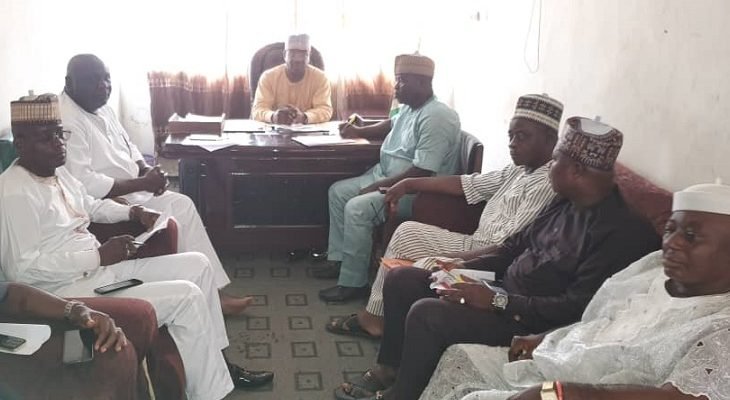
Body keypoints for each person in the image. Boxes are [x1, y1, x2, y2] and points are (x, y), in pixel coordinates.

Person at [333, 117, 661, 400]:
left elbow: (579, 309)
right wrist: (460, 268)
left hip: (531, 323)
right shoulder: (567, 201)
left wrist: (497, 301)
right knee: (402, 279)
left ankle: (401, 396)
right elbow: (513, 247)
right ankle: (390, 369)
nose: (550, 167)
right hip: (501, 291)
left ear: (576, 170)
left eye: (556, 160)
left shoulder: (620, 232)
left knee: (427, 314)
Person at [0, 93, 273, 399]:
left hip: (99, 273)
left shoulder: (56, 171)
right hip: (66, 291)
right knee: (186, 296)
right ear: (20, 144)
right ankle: (212, 392)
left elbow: (89, 205)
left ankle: (220, 365)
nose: (58, 143)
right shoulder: (14, 193)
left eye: (59, 134)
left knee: (198, 264)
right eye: (45, 138)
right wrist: (98, 256)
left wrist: (132, 212)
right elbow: (21, 270)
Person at [424, 182, 730, 400]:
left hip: (585, 392)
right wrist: (544, 338)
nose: (672, 243)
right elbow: (598, 318)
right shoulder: (652, 268)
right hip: (562, 361)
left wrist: (565, 393)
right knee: (460, 357)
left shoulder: (721, 326)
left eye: (691, 236)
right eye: (671, 229)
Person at [326, 94, 563, 339]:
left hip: (491, 262)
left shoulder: (548, 183)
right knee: (406, 232)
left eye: (522, 137)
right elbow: (468, 184)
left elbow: (508, 249)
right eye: (511, 136)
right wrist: (409, 184)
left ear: (550, 139)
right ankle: (376, 317)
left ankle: (398, 327)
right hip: (474, 242)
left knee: (421, 268)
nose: (512, 143)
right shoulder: (518, 169)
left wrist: (456, 260)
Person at [58, 54, 251, 316]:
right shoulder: (68, 120)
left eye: (107, 78)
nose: (103, 86)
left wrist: (146, 169)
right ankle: (207, 295)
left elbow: (129, 146)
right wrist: (142, 182)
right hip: (111, 200)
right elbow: (84, 182)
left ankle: (212, 291)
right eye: (93, 80)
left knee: (182, 204)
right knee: (179, 207)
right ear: (69, 82)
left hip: (135, 188)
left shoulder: (102, 107)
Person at [317, 53, 462, 302]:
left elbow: (422, 172)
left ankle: (354, 282)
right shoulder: (410, 108)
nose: (395, 86)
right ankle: (339, 260)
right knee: (338, 192)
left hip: (415, 193)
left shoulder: (437, 116)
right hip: (386, 176)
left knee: (357, 208)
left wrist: (376, 186)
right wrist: (359, 130)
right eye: (397, 79)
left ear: (422, 83)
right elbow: (390, 124)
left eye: (402, 80)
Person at [0, 281, 141, 399]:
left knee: (107, 349)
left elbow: (11, 294)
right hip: (13, 376)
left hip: (19, 340)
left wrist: (74, 309)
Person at [250, 33, 333, 124]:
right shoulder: (268, 77)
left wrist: (304, 117)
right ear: (284, 55)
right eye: (293, 54)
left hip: (308, 130)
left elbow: (325, 109)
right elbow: (258, 109)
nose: (298, 59)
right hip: (273, 129)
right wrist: (273, 116)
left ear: (309, 56)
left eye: (303, 54)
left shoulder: (321, 78)